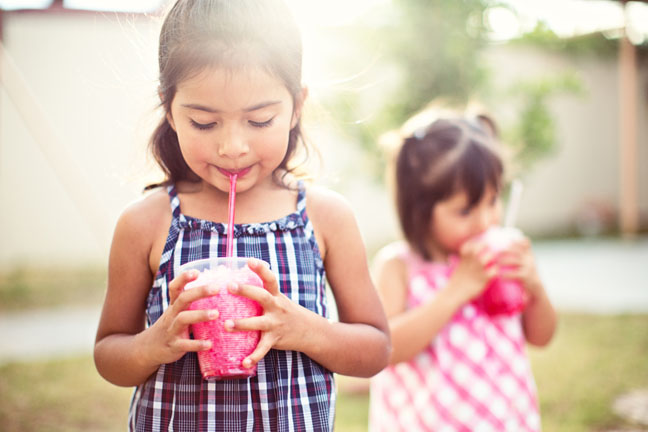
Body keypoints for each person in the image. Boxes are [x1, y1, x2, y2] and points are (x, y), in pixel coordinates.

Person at [93, 1, 391, 430]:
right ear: (169, 109)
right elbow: (108, 355)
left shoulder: (326, 217)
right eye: (204, 123)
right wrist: (154, 343)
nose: (232, 146)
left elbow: (376, 350)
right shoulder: (146, 222)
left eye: (259, 119)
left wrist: (303, 328)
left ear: (296, 106)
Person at [368, 107, 557, 431]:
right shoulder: (399, 267)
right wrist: (456, 290)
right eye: (466, 209)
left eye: (493, 200)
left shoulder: (504, 253)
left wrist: (535, 288)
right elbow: (387, 350)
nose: (486, 221)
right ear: (420, 210)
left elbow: (541, 336)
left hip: (507, 420)